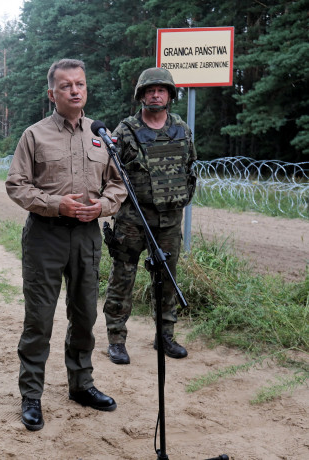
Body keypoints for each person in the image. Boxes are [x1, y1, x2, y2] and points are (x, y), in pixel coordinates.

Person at [6, 59, 127, 431]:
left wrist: (102, 208)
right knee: (40, 319)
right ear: (52, 94)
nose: (75, 90)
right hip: (46, 235)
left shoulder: (102, 134)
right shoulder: (34, 135)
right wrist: (56, 203)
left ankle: (81, 385)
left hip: (87, 237)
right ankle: (31, 395)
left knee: (85, 317)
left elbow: (118, 185)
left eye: (80, 84)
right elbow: (16, 185)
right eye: (66, 86)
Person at [102, 67, 197, 365]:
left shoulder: (181, 128)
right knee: (123, 277)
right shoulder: (125, 130)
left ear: (170, 95)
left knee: (167, 279)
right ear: (142, 95)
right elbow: (108, 170)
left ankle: (165, 335)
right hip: (132, 219)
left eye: (161, 90)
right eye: (150, 90)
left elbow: (189, 166)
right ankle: (116, 339)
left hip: (169, 219)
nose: (156, 94)